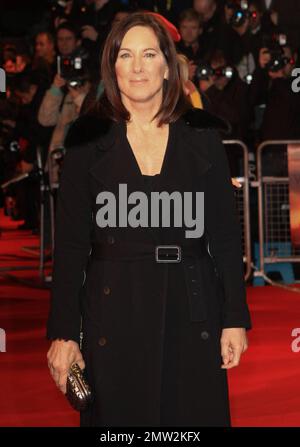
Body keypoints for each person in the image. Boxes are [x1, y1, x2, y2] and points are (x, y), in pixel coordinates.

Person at [46, 12, 251, 427]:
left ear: (166, 66)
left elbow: (226, 238)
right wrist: (64, 333)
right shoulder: (87, 140)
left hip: (192, 307)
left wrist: (234, 318)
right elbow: (69, 246)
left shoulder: (201, 136)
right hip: (112, 307)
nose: (137, 67)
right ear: (112, 65)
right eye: (126, 55)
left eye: (149, 54)